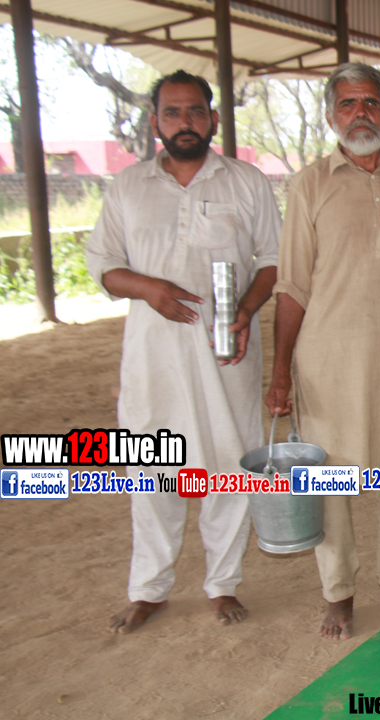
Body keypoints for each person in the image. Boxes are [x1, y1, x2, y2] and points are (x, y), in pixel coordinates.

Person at [86, 70, 280, 633]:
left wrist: (246, 308)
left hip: (226, 354)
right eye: (172, 112)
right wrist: (148, 287)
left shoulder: (245, 181)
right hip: (153, 361)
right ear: (155, 122)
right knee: (150, 474)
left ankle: (222, 584)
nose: (184, 122)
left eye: (195, 111)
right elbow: (103, 265)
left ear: (214, 119)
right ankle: (149, 588)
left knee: (227, 466)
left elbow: (274, 259)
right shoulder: (128, 186)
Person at [265, 62, 380, 640]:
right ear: (330, 115)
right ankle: (338, 592)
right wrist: (280, 372)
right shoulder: (310, 183)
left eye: (371, 102)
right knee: (330, 480)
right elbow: (292, 284)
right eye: (348, 103)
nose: (360, 114)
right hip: (328, 361)